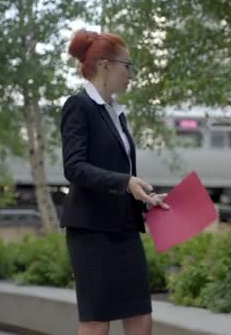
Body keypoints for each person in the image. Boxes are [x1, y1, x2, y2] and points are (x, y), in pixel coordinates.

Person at [61, 29, 169, 335]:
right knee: (97, 323)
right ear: (105, 65)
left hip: (123, 228)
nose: (131, 74)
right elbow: (74, 167)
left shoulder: (115, 113)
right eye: (128, 65)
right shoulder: (78, 106)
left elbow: (119, 170)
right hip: (91, 231)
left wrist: (141, 194)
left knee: (141, 318)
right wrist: (124, 182)